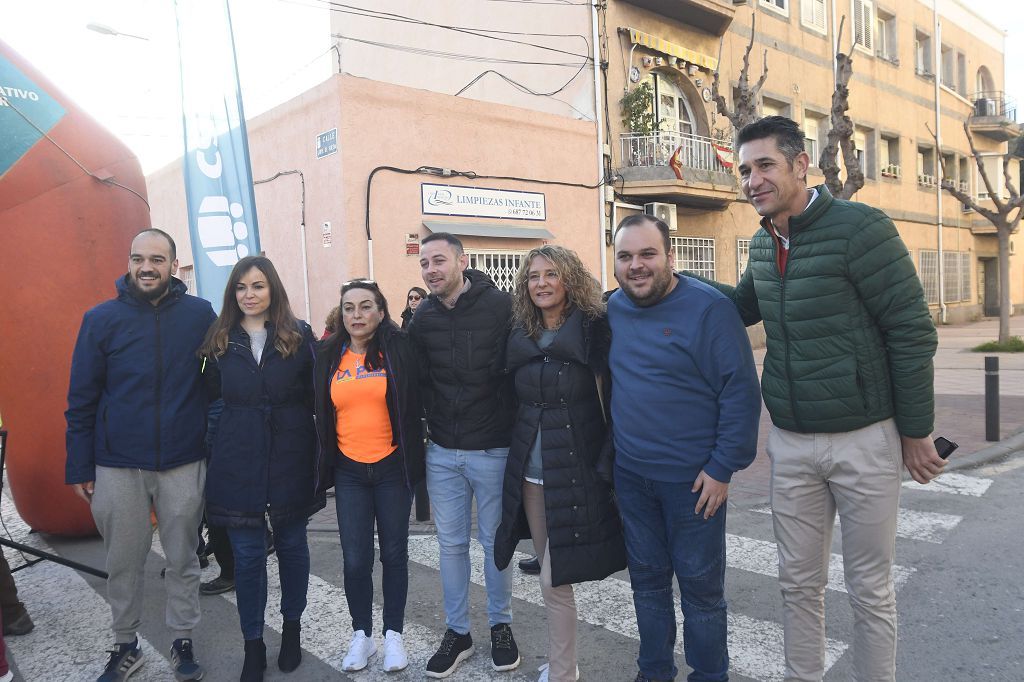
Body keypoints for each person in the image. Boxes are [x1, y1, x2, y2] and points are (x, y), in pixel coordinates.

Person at [694, 115, 942, 682]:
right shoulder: (763, 242)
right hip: (792, 445)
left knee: (870, 590)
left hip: (864, 441)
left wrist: (916, 430)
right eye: (746, 169)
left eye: (765, 166)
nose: (752, 180)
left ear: (800, 165)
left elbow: (910, 329)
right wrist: (675, 278)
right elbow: (742, 308)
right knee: (797, 584)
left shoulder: (861, 229)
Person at [609, 214, 762, 682]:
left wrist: (722, 468)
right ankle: (654, 672)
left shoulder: (709, 309)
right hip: (632, 478)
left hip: (694, 484)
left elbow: (740, 392)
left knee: (701, 591)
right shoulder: (611, 309)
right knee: (647, 585)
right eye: (626, 256)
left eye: (647, 254)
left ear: (670, 257)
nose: (637, 265)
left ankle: (709, 675)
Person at [65, 228, 215, 682]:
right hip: (117, 464)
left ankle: (182, 639)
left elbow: (215, 386)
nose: (146, 267)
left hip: (183, 461)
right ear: (128, 263)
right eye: (137, 258)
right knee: (123, 562)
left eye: (156, 259)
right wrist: (79, 463)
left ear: (174, 265)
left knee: (183, 559)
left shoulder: (199, 315)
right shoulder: (100, 319)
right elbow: (82, 397)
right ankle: (125, 643)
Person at [494, 245, 626, 682]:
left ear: (569, 279)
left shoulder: (596, 330)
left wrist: (607, 463)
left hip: (574, 472)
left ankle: (564, 672)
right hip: (530, 475)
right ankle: (561, 663)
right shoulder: (520, 332)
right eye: (533, 277)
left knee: (554, 577)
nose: (542, 284)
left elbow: (614, 399)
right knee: (553, 579)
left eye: (551, 274)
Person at [198, 255, 326, 682]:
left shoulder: (298, 334)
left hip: (291, 451)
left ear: (273, 289)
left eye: (257, 286)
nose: (249, 295)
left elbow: (317, 395)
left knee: (291, 547)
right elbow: (208, 398)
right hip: (237, 455)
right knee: (249, 556)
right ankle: (253, 642)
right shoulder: (218, 339)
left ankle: (292, 629)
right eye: (241, 287)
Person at [408, 232, 520, 678]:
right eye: (424, 264)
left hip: (493, 448)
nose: (431, 270)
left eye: (438, 261)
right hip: (442, 452)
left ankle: (500, 626)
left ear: (462, 261)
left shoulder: (502, 307)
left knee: (496, 543)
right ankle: (458, 632)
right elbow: (413, 377)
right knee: (450, 546)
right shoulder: (422, 317)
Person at [313, 279, 425, 674]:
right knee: (356, 558)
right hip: (349, 471)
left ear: (380, 311)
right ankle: (362, 635)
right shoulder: (328, 354)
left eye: (365, 307)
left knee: (394, 554)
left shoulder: (398, 349)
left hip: (393, 467)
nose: (356, 315)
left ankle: (393, 635)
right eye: (349, 308)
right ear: (341, 314)